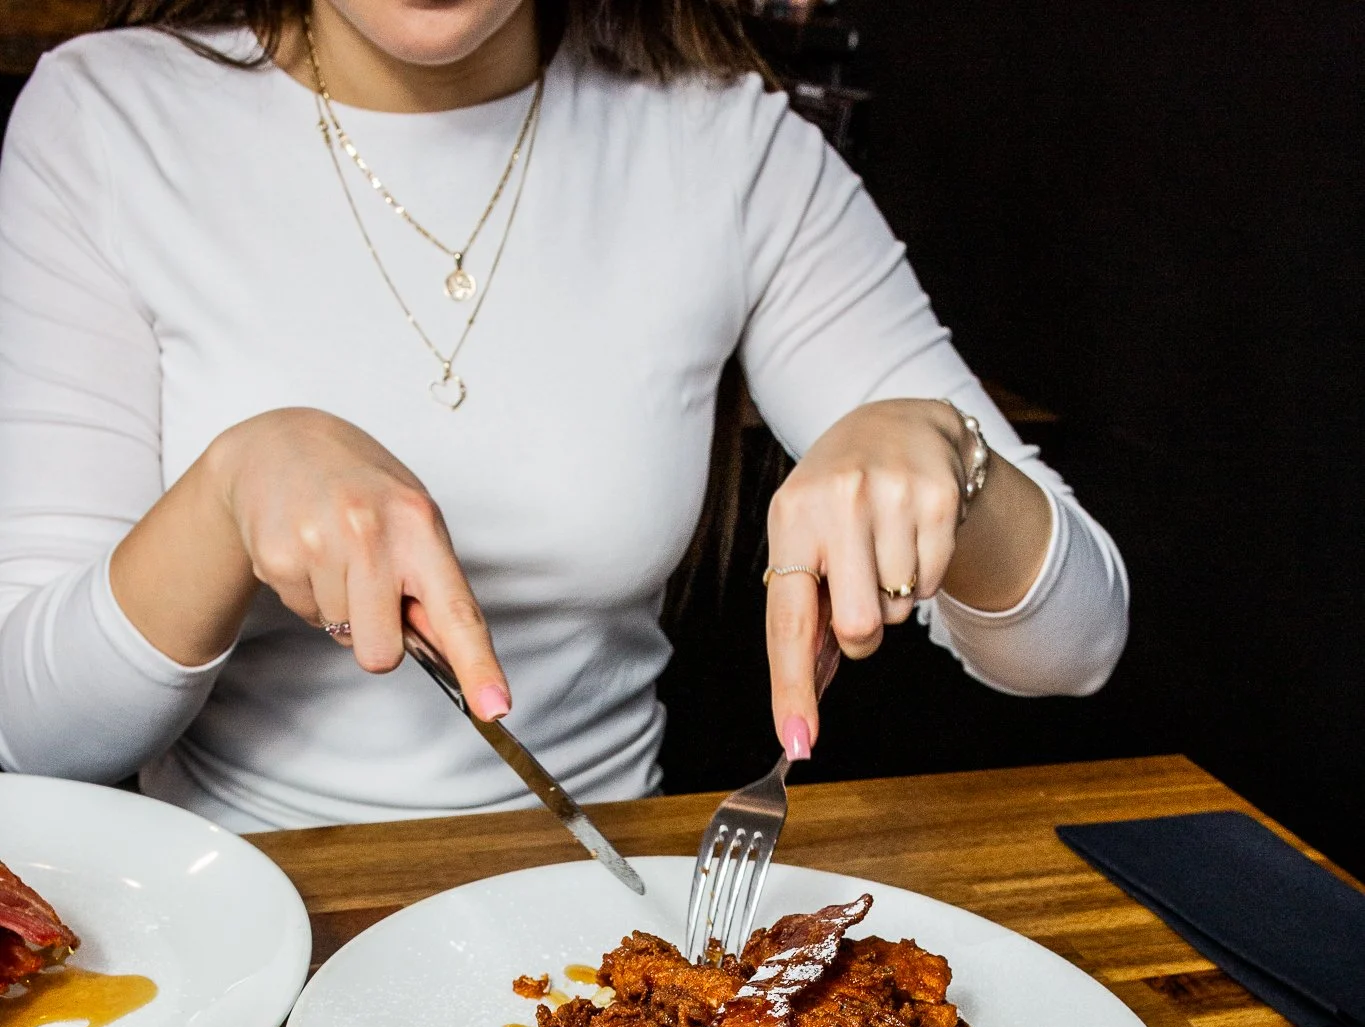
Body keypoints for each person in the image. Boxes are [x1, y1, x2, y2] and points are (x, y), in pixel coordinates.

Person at [0, 0, 1128, 833]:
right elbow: (32, 738)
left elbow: (1077, 645)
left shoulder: (728, 146)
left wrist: (947, 449)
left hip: (591, 932)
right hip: (241, 939)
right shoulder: (105, 119)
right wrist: (226, 491)